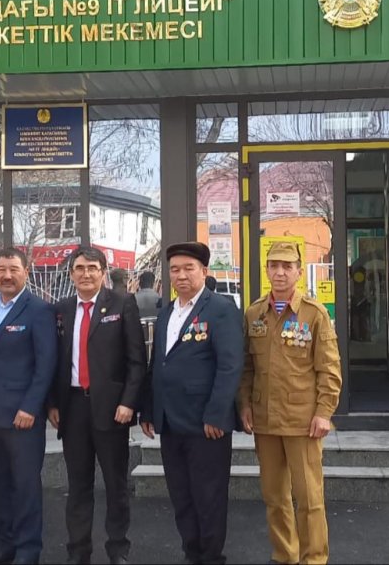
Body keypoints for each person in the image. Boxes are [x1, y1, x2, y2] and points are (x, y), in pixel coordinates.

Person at [140, 241, 243, 565]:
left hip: (205, 424)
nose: (181, 275)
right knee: (181, 496)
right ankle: (192, 554)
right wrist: (148, 409)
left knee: (208, 497)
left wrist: (217, 414)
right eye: (175, 270)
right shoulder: (166, 312)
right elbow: (157, 364)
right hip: (170, 421)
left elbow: (230, 366)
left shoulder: (221, 309)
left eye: (189, 269)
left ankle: (211, 557)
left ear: (204, 271)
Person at [240, 241, 342, 565]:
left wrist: (324, 412)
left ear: (299, 272)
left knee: (309, 499)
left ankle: (314, 559)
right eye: (274, 266)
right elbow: (246, 367)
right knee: (275, 497)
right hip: (266, 420)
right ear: (266, 270)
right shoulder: (254, 313)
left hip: (303, 422)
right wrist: (244, 405)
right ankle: (285, 556)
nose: (280, 272)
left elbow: (329, 368)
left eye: (287, 266)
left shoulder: (314, 313)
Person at [49, 246, 146, 565]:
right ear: (71, 274)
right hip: (73, 408)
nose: (86, 274)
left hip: (112, 409)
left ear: (103, 272)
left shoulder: (122, 303)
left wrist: (129, 402)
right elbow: (54, 361)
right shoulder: (61, 309)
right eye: (79, 268)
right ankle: (78, 552)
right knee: (78, 486)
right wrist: (53, 403)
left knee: (116, 485)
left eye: (92, 268)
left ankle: (118, 550)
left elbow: (136, 359)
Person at [0, 247, 58, 565]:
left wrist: (31, 407)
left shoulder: (39, 310)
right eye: (1, 269)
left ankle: (28, 551)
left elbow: (46, 364)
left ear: (26, 273)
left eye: (14, 269)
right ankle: (5, 545)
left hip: (22, 417)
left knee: (25, 487)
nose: (7, 275)